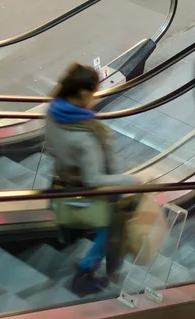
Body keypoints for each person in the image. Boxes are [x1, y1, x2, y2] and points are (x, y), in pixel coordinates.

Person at [46, 63, 140, 296]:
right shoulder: (86, 134)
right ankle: (85, 273)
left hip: (62, 185)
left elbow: (51, 148)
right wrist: (132, 180)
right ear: (82, 93)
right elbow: (94, 179)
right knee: (112, 224)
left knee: (114, 222)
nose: (95, 96)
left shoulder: (53, 111)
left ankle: (107, 262)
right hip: (89, 193)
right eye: (94, 91)